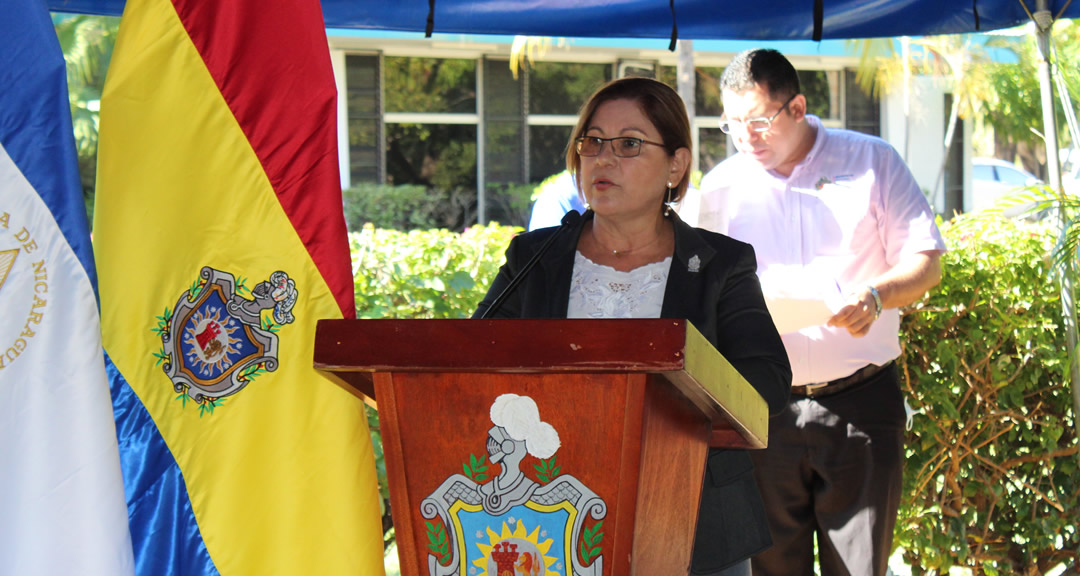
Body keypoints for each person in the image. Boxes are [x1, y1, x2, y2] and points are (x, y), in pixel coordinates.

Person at [473, 76, 792, 575]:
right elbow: (470, 361)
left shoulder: (719, 265)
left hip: (693, 522)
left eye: (629, 144)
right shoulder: (535, 258)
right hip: (547, 518)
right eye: (593, 141)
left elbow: (765, 381)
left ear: (676, 164)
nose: (603, 158)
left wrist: (665, 399)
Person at [688, 49, 946, 576]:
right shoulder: (720, 188)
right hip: (762, 409)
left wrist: (875, 297)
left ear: (798, 106)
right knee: (770, 568)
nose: (745, 137)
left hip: (859, 404)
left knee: (857, 568)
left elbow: (926, 262)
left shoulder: (871, 160)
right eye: (732, 124)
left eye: (758, 121)